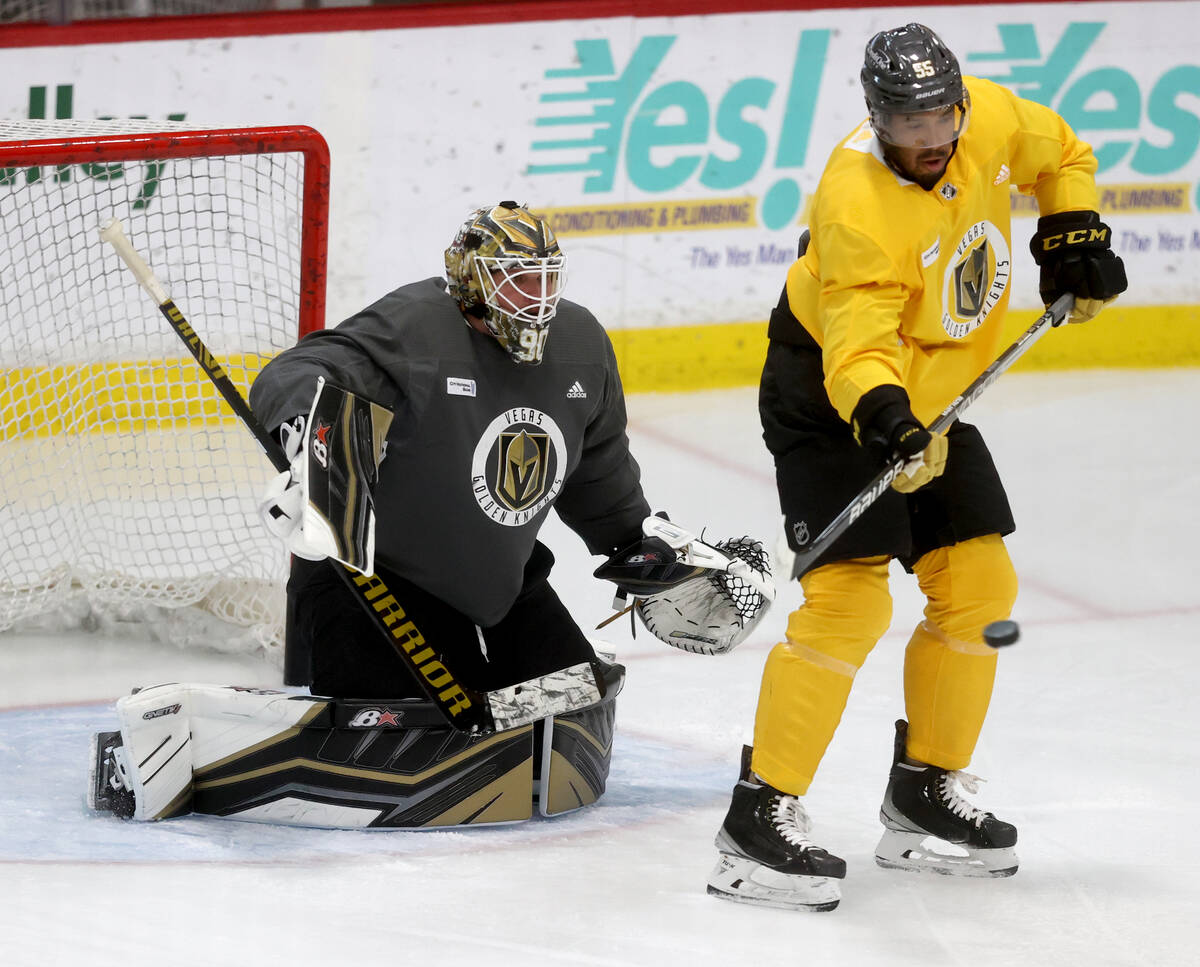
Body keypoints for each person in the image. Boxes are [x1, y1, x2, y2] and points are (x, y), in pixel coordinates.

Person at [87, 201, 771, 829]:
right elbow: (301, 371)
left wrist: (637, 544)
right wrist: (307, 443)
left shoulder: (582, 343)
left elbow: (597, 464)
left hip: (501, 584)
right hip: (379, 582)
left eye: (544, 279)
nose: (535, 300)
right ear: (472, 283)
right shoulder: (416, 327)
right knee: (417, 729)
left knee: (572, 700)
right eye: (514, 281)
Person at [706, 24, 1127, 911]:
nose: (931, 135)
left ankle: (923, 795)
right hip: (834, 401)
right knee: (850, 601)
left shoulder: (994, 121)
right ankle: (756, 817)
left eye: (942, 112)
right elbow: (855, 349)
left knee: (980, 587)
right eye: (908, 120)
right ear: (878, 117)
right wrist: (891, 424)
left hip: (936, 392)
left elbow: (1067, 153)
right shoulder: (855, 202)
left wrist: (1071, 229)